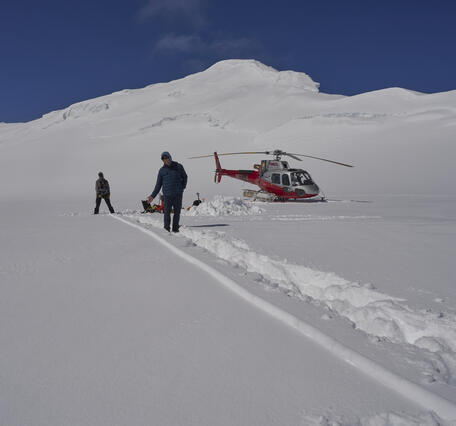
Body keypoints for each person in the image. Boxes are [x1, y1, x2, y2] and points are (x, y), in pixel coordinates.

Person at [148, 151, 187, 232]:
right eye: (164, 159)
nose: (166, 160)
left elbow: (185, 177)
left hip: (178, 194)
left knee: (177, 213)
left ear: (170, 157)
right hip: (167, 195)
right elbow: (158, 185)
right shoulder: (162, 171)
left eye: (167, 158)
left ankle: (175, 229)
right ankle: (166, 230)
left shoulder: (178, 166)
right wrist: (152, 196)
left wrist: (182, 187)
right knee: (166, 213)